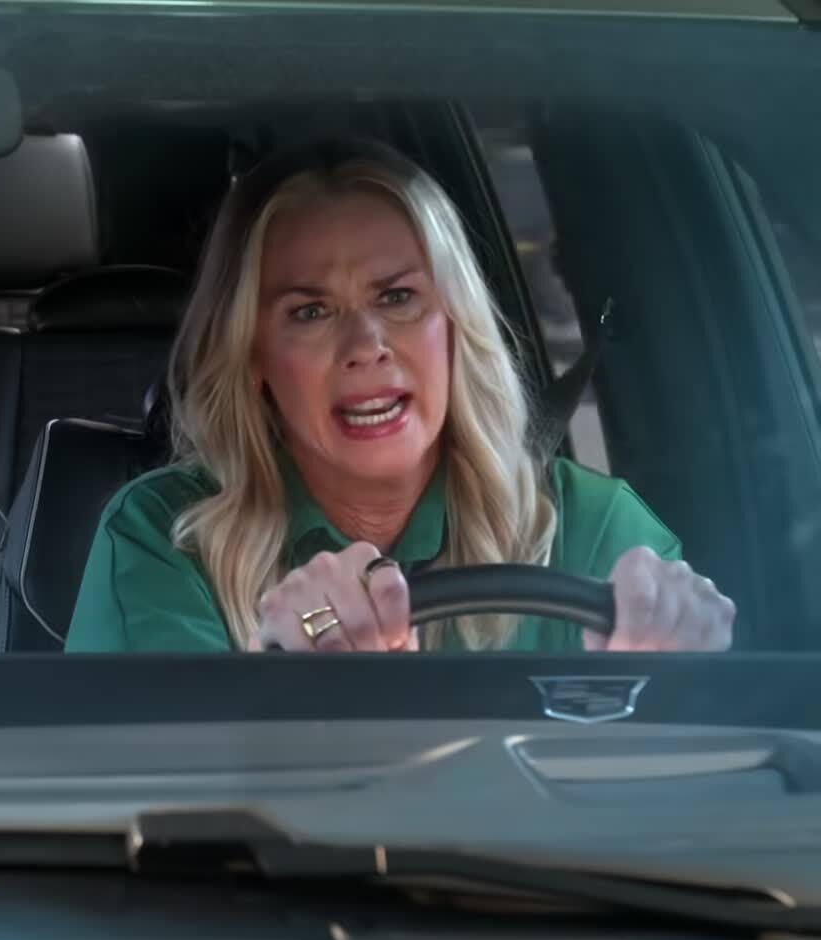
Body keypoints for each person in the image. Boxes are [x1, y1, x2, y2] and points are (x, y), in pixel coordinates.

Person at [64, 138, 735, 653]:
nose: (366, 345)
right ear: (252, 358)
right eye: (310, 312)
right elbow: (154, 781)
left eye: (397, 297)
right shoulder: (167, 541)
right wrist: (285, 691)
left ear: (456, 325)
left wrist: (693, 667)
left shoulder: (592, 529)